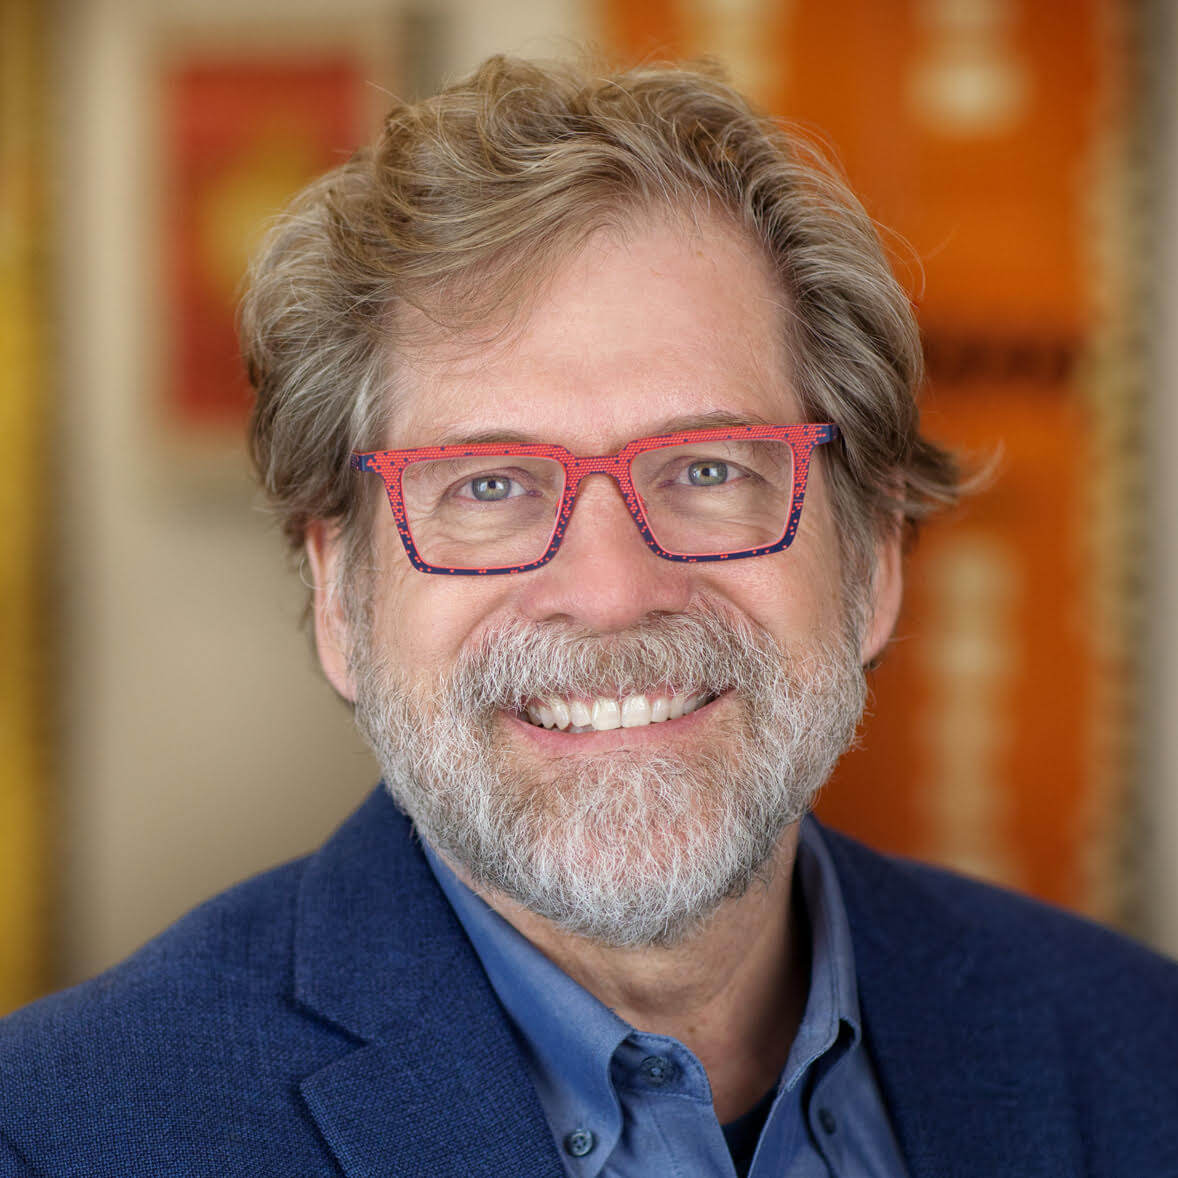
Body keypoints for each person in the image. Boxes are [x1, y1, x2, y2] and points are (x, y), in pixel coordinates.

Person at [2, 54, 1176, 1178]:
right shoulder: (61, 1135)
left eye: (708, 469)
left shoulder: (1135, 1053)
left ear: (870, 558)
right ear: (340, 598)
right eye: (487, 486)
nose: (611, 592)